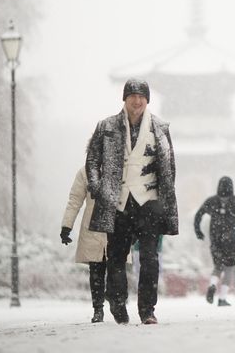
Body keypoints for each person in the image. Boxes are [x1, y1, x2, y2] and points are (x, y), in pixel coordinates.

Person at [85, 78, 178, 325]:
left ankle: (147, 309)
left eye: (141, 97)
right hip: (118, 201)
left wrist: (163, 196)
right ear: (124, 99)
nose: (137, 101)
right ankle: (117, 303)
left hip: (148, 201)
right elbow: (92, 160)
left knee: (149, 258)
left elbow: (169, 166)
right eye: (132, 96)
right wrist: (97, 188)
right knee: (116, 257)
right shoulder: (106, 127)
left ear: (147, 100)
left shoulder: (159, 127)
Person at [194, 176, 235, 307]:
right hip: (231, 238)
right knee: (229, 268)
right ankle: (222, 298)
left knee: (218, 266)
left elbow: (198, 215)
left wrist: (198, 231)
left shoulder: (211, 201)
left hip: (215, 237)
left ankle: (212, 284)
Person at [60, 166, 108, 323]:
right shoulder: (85, 172)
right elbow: (75, 200)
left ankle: (115, 302)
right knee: (96, 269)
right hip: (92, 227)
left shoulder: (121, 167)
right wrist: (67, 226)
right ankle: (98, 308)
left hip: (116, 225)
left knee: (115, 268)